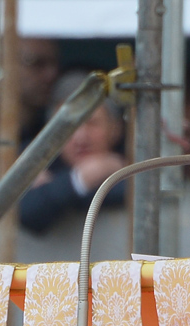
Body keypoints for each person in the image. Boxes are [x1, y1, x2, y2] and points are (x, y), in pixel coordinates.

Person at [18, 70, 126, 234]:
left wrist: (54, 189)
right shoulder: (36, 159)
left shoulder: (132, 158)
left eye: (92, 123)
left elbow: (135, 194)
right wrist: (79, 179)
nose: (80, 137)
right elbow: (26, 212)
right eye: (69, 126)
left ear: (115, 129)